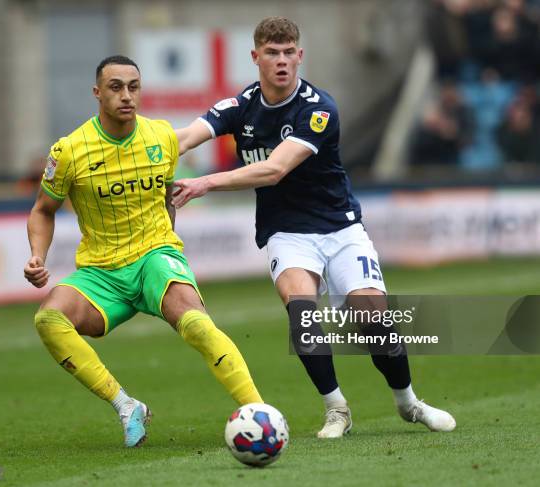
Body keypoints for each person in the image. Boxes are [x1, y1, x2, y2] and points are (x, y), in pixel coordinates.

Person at [173, 17, 456, 438]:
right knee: (301, 312)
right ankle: (336, 408)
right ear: (256, 57)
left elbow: (274, 169)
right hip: (286, 232)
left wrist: (204, 183)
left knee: (374, 318)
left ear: (300, 56)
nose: (282, 61)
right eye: (272, 53)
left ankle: (408, 402)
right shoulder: (240, 107)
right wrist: (136, 151)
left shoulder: (318, 109)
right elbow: (182, 138)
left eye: (289, 52)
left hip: (339, 228)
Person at [24, 55, 263, 448]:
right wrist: (37, 255)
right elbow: (42, 210)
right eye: (116, 87)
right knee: (49, 319)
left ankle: (258, 412)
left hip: (154, 254)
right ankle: (125, 405)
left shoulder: (162, 137)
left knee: (198, 323)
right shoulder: (69, 151)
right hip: (101, 272)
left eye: (133, 86)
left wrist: (167, 247)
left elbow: (165, 196)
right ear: (97, 92)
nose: (126, 96)